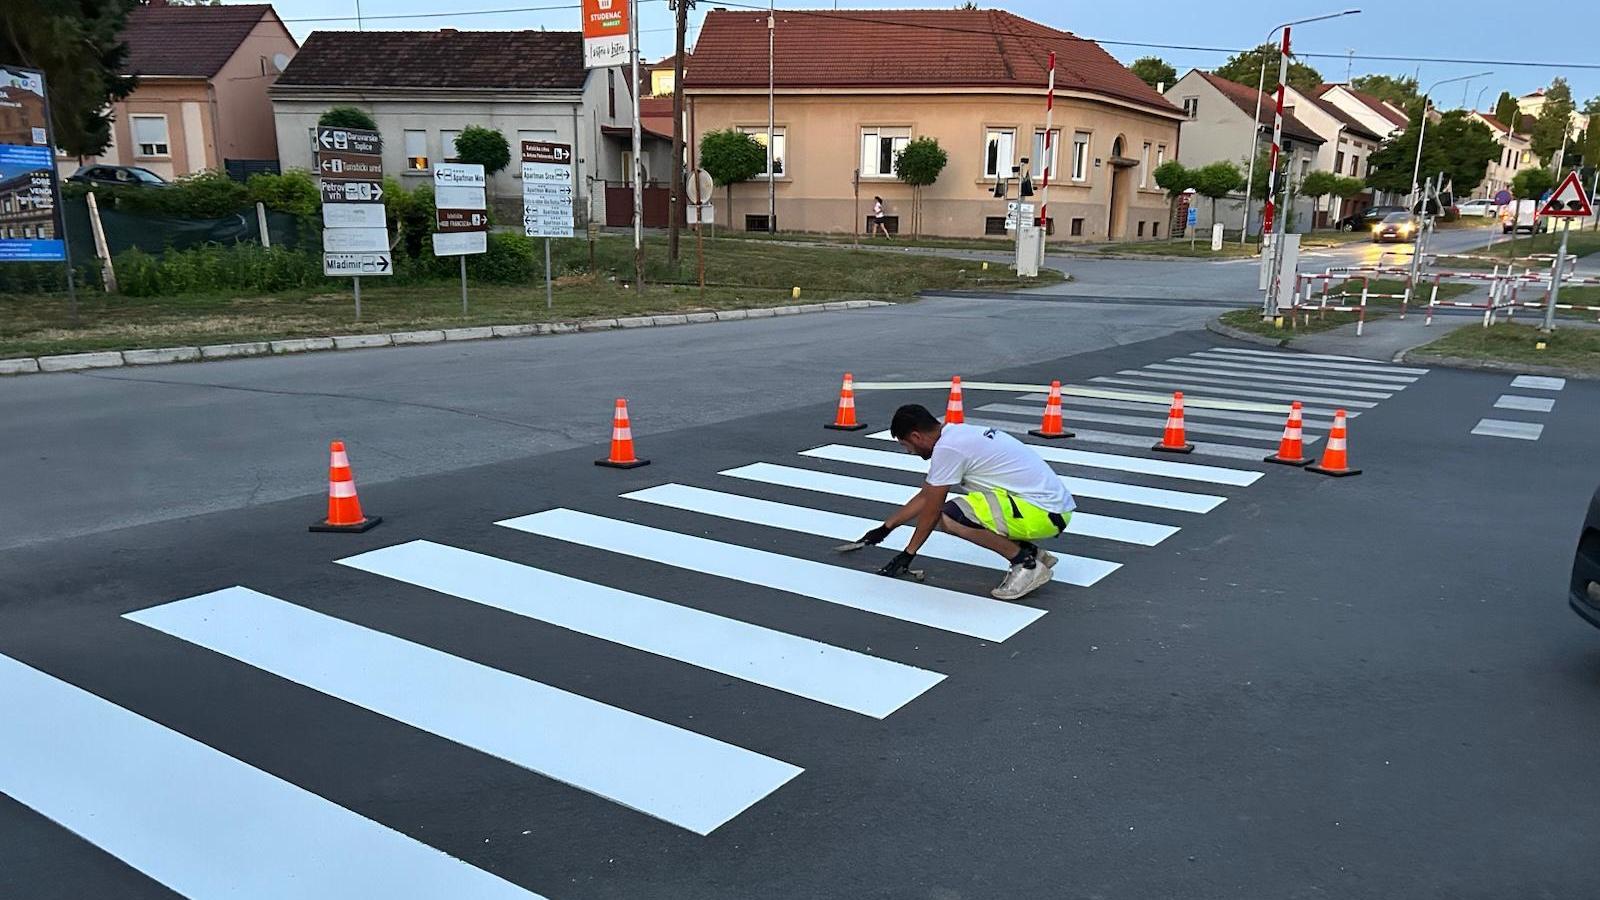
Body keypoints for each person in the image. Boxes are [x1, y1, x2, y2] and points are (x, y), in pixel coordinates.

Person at [857, 404, 1074, 600]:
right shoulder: (955, 435)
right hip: (1049, 508)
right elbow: (927, 495)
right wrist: (886, 528)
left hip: (1043, 512)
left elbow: (932, 510)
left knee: (951, 517)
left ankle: (1026, 565)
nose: (909, 451)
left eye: (906, 445)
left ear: (916, 436)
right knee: (965, 512)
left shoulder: (948, 449)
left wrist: (908, 553)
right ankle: (1033, 554)